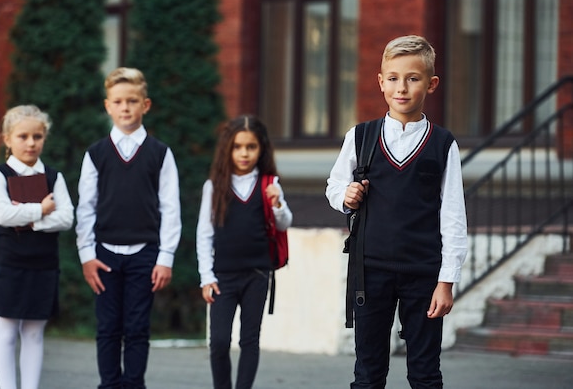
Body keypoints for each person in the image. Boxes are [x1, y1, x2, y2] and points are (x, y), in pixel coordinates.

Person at [325, 35, 468, 389]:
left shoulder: (442, 144)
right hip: (370, 271)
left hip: (424, 274)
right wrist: (348, 194)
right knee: (368, 374)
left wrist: (446, 281)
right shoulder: (360, 137)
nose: (401, 88)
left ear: (431, 84)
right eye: (393, 78)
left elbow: (453, 216)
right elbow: (334, 187)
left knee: (425, 373)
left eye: (413, 78)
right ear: (380, 81)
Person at [75, 67, 181, 389]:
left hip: (145, 255)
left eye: (132, 101)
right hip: (104, 254)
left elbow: (170, 207)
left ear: (145, 105)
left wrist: (165, 257)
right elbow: (86, 207)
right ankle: (109, 385)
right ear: (107, 106)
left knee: (137, 328)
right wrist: (86, 254)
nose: (125, 108)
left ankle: (134, 384)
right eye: (118, 101)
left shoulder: (160, 153)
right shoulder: (95, 154)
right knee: (108, 327)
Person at [196, 115, 293, 389]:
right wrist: (206, 276)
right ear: (228, 148)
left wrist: (277, 205)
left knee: (249, 340)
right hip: (222, 278)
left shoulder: (269, 184)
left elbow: (285, 223)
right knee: (218, 342)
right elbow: (204, 233)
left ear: (261, 149)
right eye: (238, 147)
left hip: (257, 275)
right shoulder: (213, 187)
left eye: (251, 147)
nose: (244, 153)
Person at [0, 104, 74, 389]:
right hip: (11, 262)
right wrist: (42, 208)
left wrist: (27, 218)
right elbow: (2, 215)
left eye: (37, 136)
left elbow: (66, 218)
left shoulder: (53, 176)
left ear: (44, 138)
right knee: (7, 330)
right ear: (7, 139)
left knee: (35, 333)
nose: (31, 143)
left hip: (44, 264)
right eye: (23, 136)